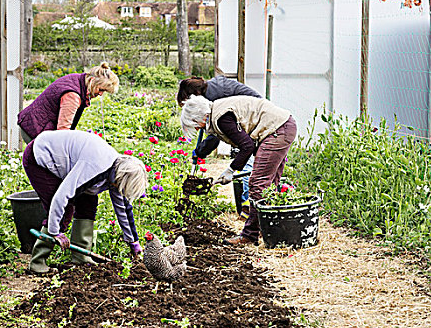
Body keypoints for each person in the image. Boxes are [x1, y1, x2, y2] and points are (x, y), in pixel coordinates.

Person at [23, 130, 147, 274]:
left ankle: (80, 257)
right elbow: (61, 197)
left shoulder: (116, 172)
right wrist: (54, 232)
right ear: (121, 179)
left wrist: (133, 242)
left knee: (88, 203)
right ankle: (38, 263)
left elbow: (123, 209)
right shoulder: (96, 168)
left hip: (69, 161)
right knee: (65, 211)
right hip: (40, 156)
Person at [181, 95, 297, 246]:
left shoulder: (221, 118)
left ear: (200, 118)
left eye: (195, 125)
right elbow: (218, 140)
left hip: (277, 130)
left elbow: (247, 146)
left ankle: (250, 235)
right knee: (269, 185)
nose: (197, 129)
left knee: (257, 184)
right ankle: (270, 230)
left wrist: (231, 170)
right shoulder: (217, 113)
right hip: (283, 125)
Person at [177, 76, 262, 219]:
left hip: (254, 116)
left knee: (249, 160)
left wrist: (200, 151)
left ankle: (249, 206)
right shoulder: (209, 91)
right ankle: (248, 205)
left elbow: (214, 136)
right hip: (247, 115)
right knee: (245, 155)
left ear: (194, 96)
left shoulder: (213, 100)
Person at [18, 62, 119, 143]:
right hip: (35, 128)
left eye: (104, 92)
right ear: (92, 81)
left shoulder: (79, 80)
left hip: (35, 123)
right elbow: (63, 132)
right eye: (101, 89)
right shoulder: (72, 96)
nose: (101, 94)